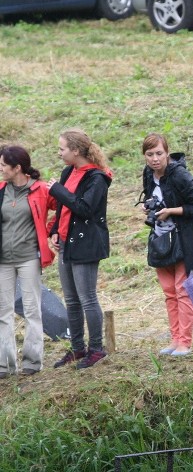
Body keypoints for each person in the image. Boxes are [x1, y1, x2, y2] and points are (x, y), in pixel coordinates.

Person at [47, 129, 111, 370]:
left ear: (75, 151)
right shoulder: (68, 172)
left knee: (87, 298)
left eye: (62, 148)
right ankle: (77, 348)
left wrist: (57, 190)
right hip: (66, 243)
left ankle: (96, 349)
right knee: (71, 301)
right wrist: (54, 229)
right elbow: (64, 208)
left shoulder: (97, 178)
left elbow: (85, 208)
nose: (59, 152)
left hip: (86, 244)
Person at [141, 133, 193, 357]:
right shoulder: (148, 174)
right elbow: (152, 198)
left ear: (167, 153)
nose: (154, 159)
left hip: (186, 240)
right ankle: (174, 338)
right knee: (169, 292)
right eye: (149, 154)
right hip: (162, 240)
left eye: (159, 153)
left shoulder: (180, 175)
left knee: (182, 291)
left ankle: (184, 343)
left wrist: (171, 211)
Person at [0, 146, 56, 378]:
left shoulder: (41, 189)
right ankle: (5, 365)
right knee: (3, 312)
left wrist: (52, 231)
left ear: (17, 168)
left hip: (28, 258)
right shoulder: (2, 189)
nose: (0, 169)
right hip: (3, 260)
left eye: (3, 165)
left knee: (32, 310)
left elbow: (63, 209)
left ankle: (32, 362)